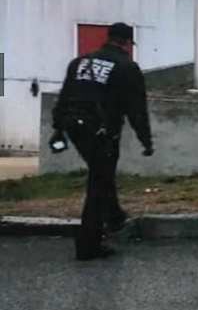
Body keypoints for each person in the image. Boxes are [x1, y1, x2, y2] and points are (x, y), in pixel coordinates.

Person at [49, 22, 154, 261]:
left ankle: (115, 216)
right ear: (127, 42)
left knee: (102, 174)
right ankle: (88, 245)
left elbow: (64, 96)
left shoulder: (80, 62)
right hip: (102, 132)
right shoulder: (127, 67)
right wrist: (145, 140)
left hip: (74, 128)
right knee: (99, 182)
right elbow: (136, 109)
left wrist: (57, 129)